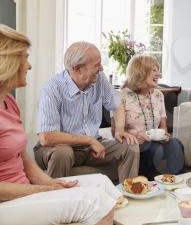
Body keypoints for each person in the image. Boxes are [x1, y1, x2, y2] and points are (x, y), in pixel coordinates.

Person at [0, 24, 119, 225]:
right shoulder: (53, 87)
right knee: (94, 203)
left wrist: (52, 182)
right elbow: (46, 137)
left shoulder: (8, 102)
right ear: (7, 62)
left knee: (102, 184)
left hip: (24, 188)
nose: (29, 66)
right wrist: (41, 190)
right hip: (6, 201)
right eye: (24, 57)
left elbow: (23, 158)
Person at [34, 41, 139, 182]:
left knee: (130, 145)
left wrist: (119, 130)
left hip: (91, 146)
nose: (101, 68)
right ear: (77, 68)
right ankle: (56, 198)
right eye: (97, 65)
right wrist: (89, 140)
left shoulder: (99, 79)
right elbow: (46, 138)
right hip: (58, 147)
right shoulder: (52, 88)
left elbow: (117, 104)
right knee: (63, 153)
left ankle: (129, 194)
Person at [112, 55, 184, 179]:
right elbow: (116, 132)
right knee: (155, 150)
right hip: (136, 145)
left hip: (154, 142)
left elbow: (163, 127)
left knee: (176, 143)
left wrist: (164, 136)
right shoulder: (122, 96)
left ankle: (174, 184)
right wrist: (136, 135)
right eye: (154, 70)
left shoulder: (158, 95)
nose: (158, 74)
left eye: (158, 70)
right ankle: (152, 185)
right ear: (140, 72)